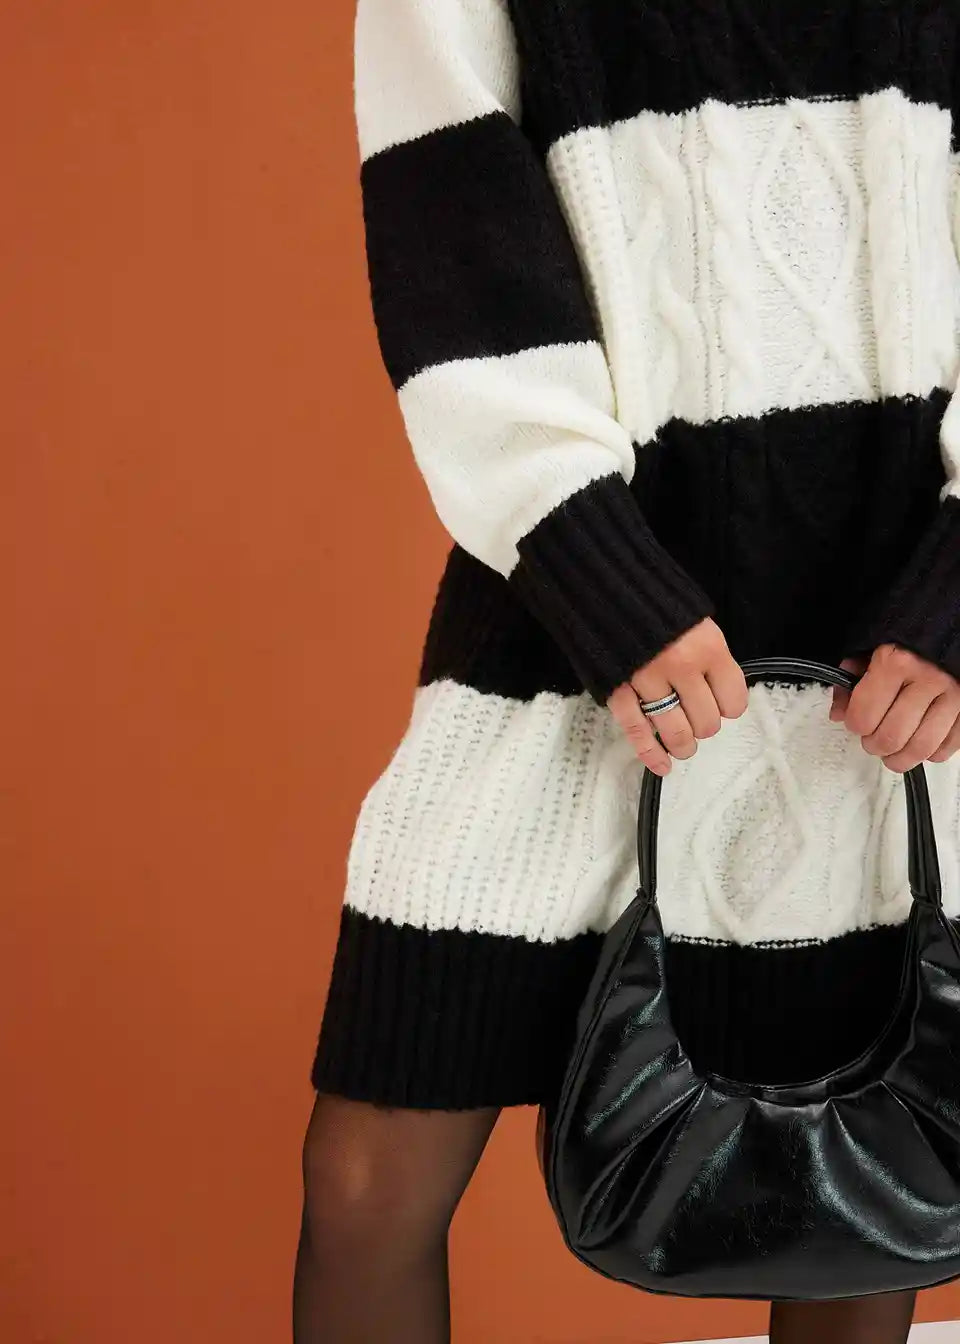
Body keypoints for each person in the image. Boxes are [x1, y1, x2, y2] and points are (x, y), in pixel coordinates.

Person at [293, 2, 960, 1340]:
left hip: (887, 640)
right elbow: (448, 221)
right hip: (567, 631)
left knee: (858, 1199)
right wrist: (596, 572)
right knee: (371, 1179)